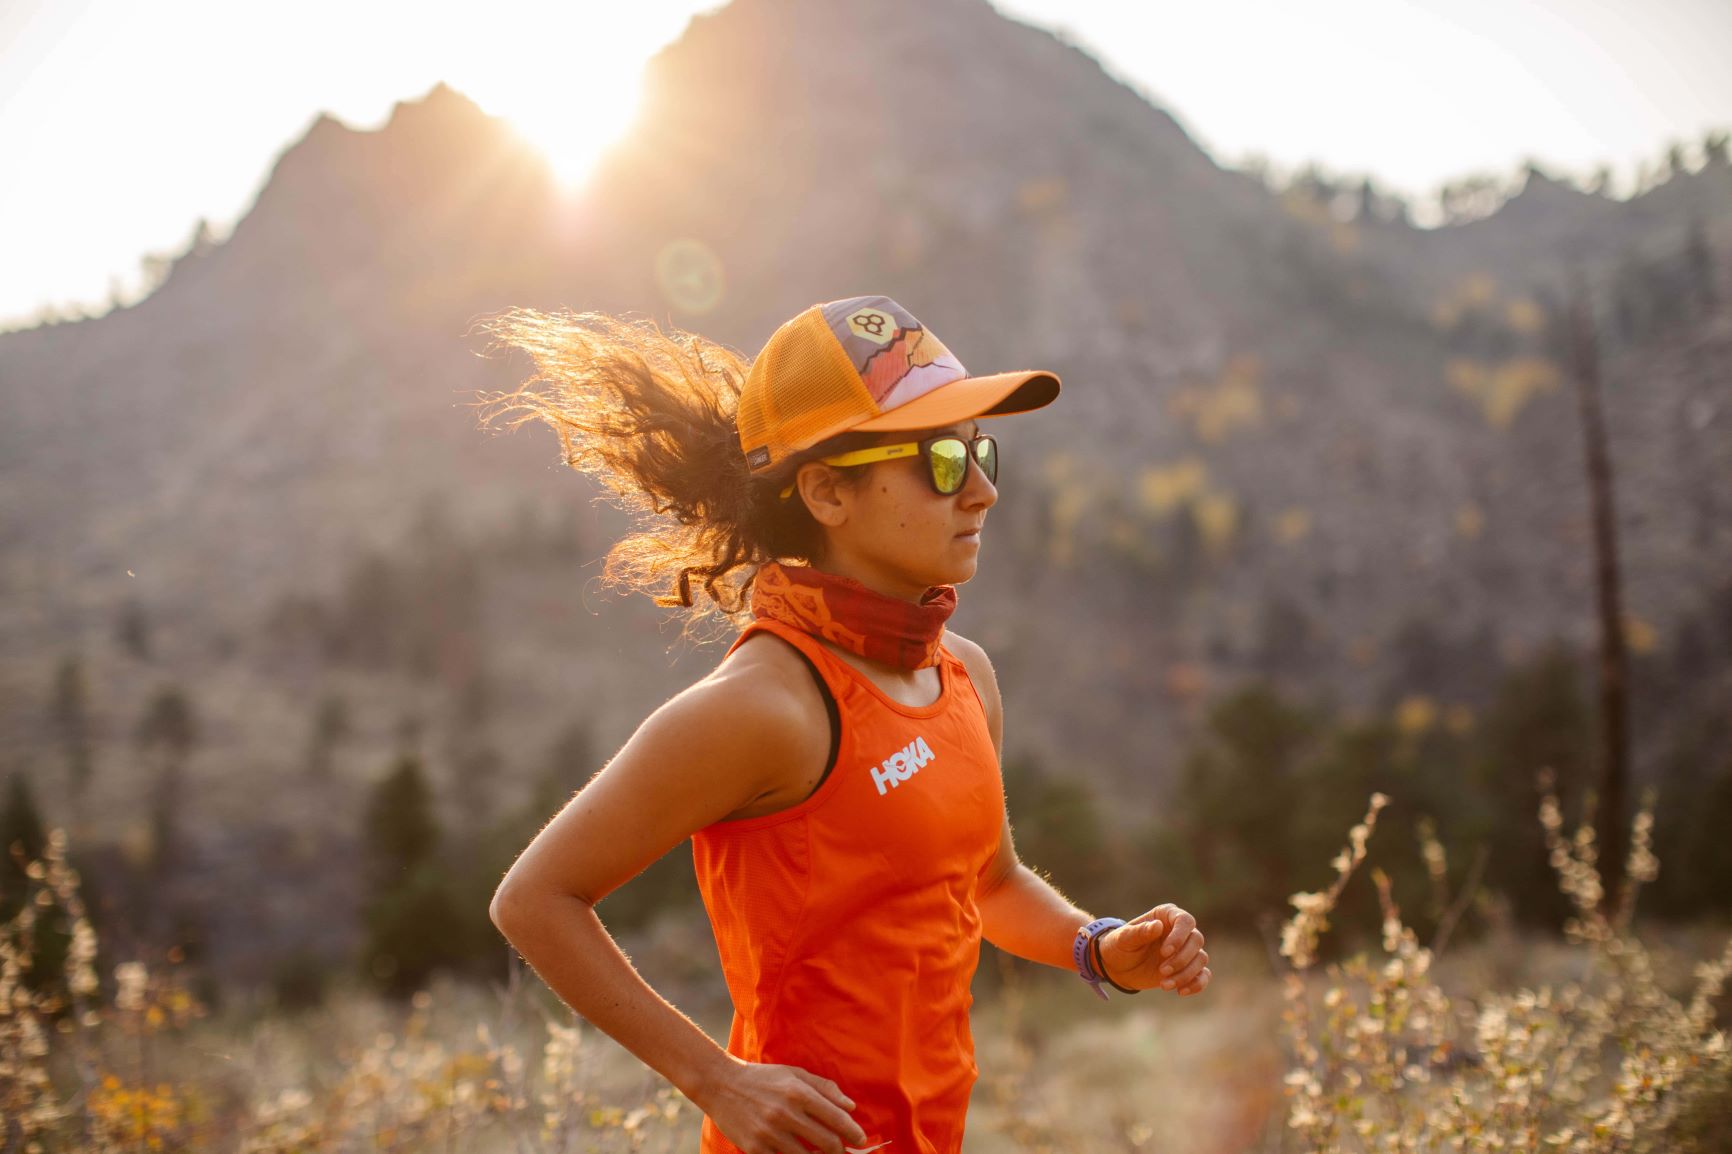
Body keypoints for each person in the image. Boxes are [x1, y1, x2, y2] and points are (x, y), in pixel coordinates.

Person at [481, 296, 1211, 1154]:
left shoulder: (962, 673)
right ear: (828, 491)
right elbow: (534, 900)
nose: (982, 490)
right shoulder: (764, 707)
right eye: (942, 460)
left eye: (981, 450)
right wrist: (716, 1079)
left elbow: (989, 884)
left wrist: (1100, 948)